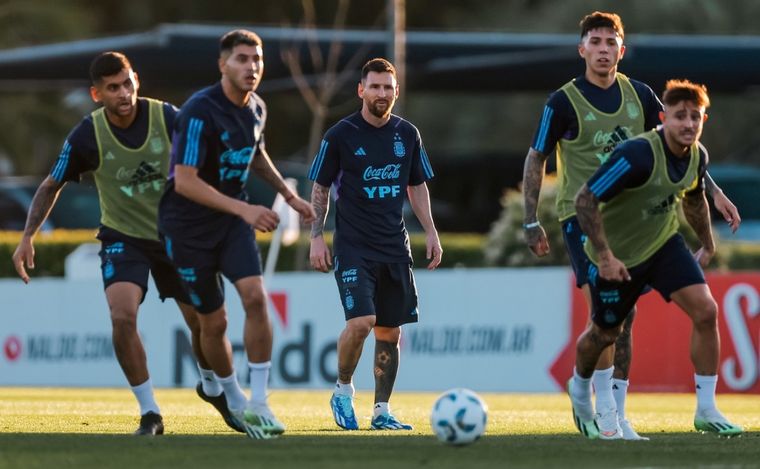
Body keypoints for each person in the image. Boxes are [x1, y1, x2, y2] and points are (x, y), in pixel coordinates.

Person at [521, 11, 740, 440]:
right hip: (582, 217)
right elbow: (536, 157)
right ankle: (602, 410)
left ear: (622, 49)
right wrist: (530, 220)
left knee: (638, 316)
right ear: (581, 48)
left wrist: (712, 191)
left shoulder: (639, 95)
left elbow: (680, 142)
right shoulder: (562, 101)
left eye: (611, 42)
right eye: (595, 41)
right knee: (608, 322)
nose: (603, 49)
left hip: (641, 220)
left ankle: (619, 412)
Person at [10, 52, 239, 436]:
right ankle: (150, 412)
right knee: (122, 316)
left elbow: (206, 155)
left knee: (202, 323)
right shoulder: (87, 134)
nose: (123, 93)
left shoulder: (167, 117)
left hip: (177, 235)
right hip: (123, 238)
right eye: (113, 88)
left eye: (127, 83)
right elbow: (52, 184)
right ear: (97, 94)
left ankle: (211, 386)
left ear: (136, 80)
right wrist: (28, 236)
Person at [158, 29, 315, 440]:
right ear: (223, 64)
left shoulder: (257, 108)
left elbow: (255, 153)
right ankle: (231, 397)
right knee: (214, 322)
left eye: (257, 59)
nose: (252, 67)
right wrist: (246, 208)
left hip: (230, 225)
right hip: (187, 229)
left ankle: (260, 402)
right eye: (242, 59)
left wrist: (287, 195)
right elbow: (185, 181)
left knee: (256, 299)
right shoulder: (198, 110)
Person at [568, 79, 743, 439]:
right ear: (663, 118)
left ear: (703, 120)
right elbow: (584, 200)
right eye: (680, 117)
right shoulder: (636, 155)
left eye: (696, 117)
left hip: (663, 245)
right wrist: (604, 256)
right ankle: (579, 385)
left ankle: (707, 409)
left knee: (706, 311)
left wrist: (708, 244)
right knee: (605, 332)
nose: (689, 124)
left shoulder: (698, 155)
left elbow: (694, 200)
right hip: (616, 254)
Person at [308, 58, 442, 431]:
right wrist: (316, 236)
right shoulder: (340, 134)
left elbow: (417, 186)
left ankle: (381, 410)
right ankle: (343, 391)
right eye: (375, 86)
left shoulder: (407, 135)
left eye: (388, 87)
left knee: (390, 331)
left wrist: (431, 230)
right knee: (362, 322)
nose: (382, 93)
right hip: (353, 246)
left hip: (394, 247)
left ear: (396, 92)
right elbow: (320, 188)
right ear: (361, 90)